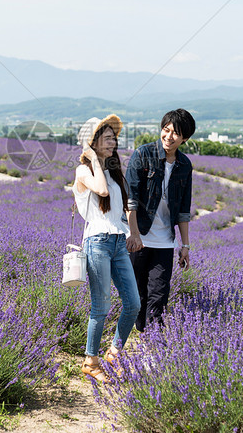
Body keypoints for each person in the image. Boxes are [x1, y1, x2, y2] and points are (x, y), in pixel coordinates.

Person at [74, 114, 141, 383]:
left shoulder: (115, 173)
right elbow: (101, 191)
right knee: (100, 306)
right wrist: (92, 159)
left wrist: (133, 232)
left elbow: (127, 206)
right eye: (108, 137)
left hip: (118, 243)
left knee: (133, 304)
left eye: (115, 137)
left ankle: (114, 353)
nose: (114, 141)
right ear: (92, 142)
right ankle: (91, 360)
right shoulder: (83, 171)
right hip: (97, 242)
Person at [125, 108, 196, 331]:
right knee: (137, 295)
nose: (169, 136)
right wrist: (134, 234)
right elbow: (131, 199)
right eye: (166, 130)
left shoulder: (184, 165)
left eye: (176, 133)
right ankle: (136, 332)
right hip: (140, 236)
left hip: (165, 240)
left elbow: (184, 210)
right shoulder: (142, 154)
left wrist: (184, 245)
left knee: (159, 296)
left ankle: (151, 342)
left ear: (184, 138)